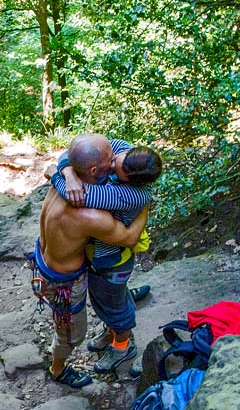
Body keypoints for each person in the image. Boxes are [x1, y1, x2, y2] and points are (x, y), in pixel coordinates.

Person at [32, 152, 150, 388]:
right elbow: (128, 238)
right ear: (95, 171)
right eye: (110, 161)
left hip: (45, 262)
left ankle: (118, 324)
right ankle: (58, 369)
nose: (114, 160)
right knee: (72, 333)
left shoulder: (63, 179)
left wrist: (65, 170)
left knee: (111, 299)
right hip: (65, 281)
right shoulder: (90, 214)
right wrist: (144, 203)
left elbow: (64, 158)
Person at [50, 135, 163, 376]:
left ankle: (122, 345)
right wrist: (69, 171)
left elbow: (76, 194)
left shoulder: (129, 195)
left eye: (114, 168)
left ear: (129, 180)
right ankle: (113, 327)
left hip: (111, 261)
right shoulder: (125, 151)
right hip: (105, 253)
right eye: (113, 159)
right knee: (109, 301)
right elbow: (78, 154)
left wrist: (57, 173)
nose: (110, 164)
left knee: (112, 306)